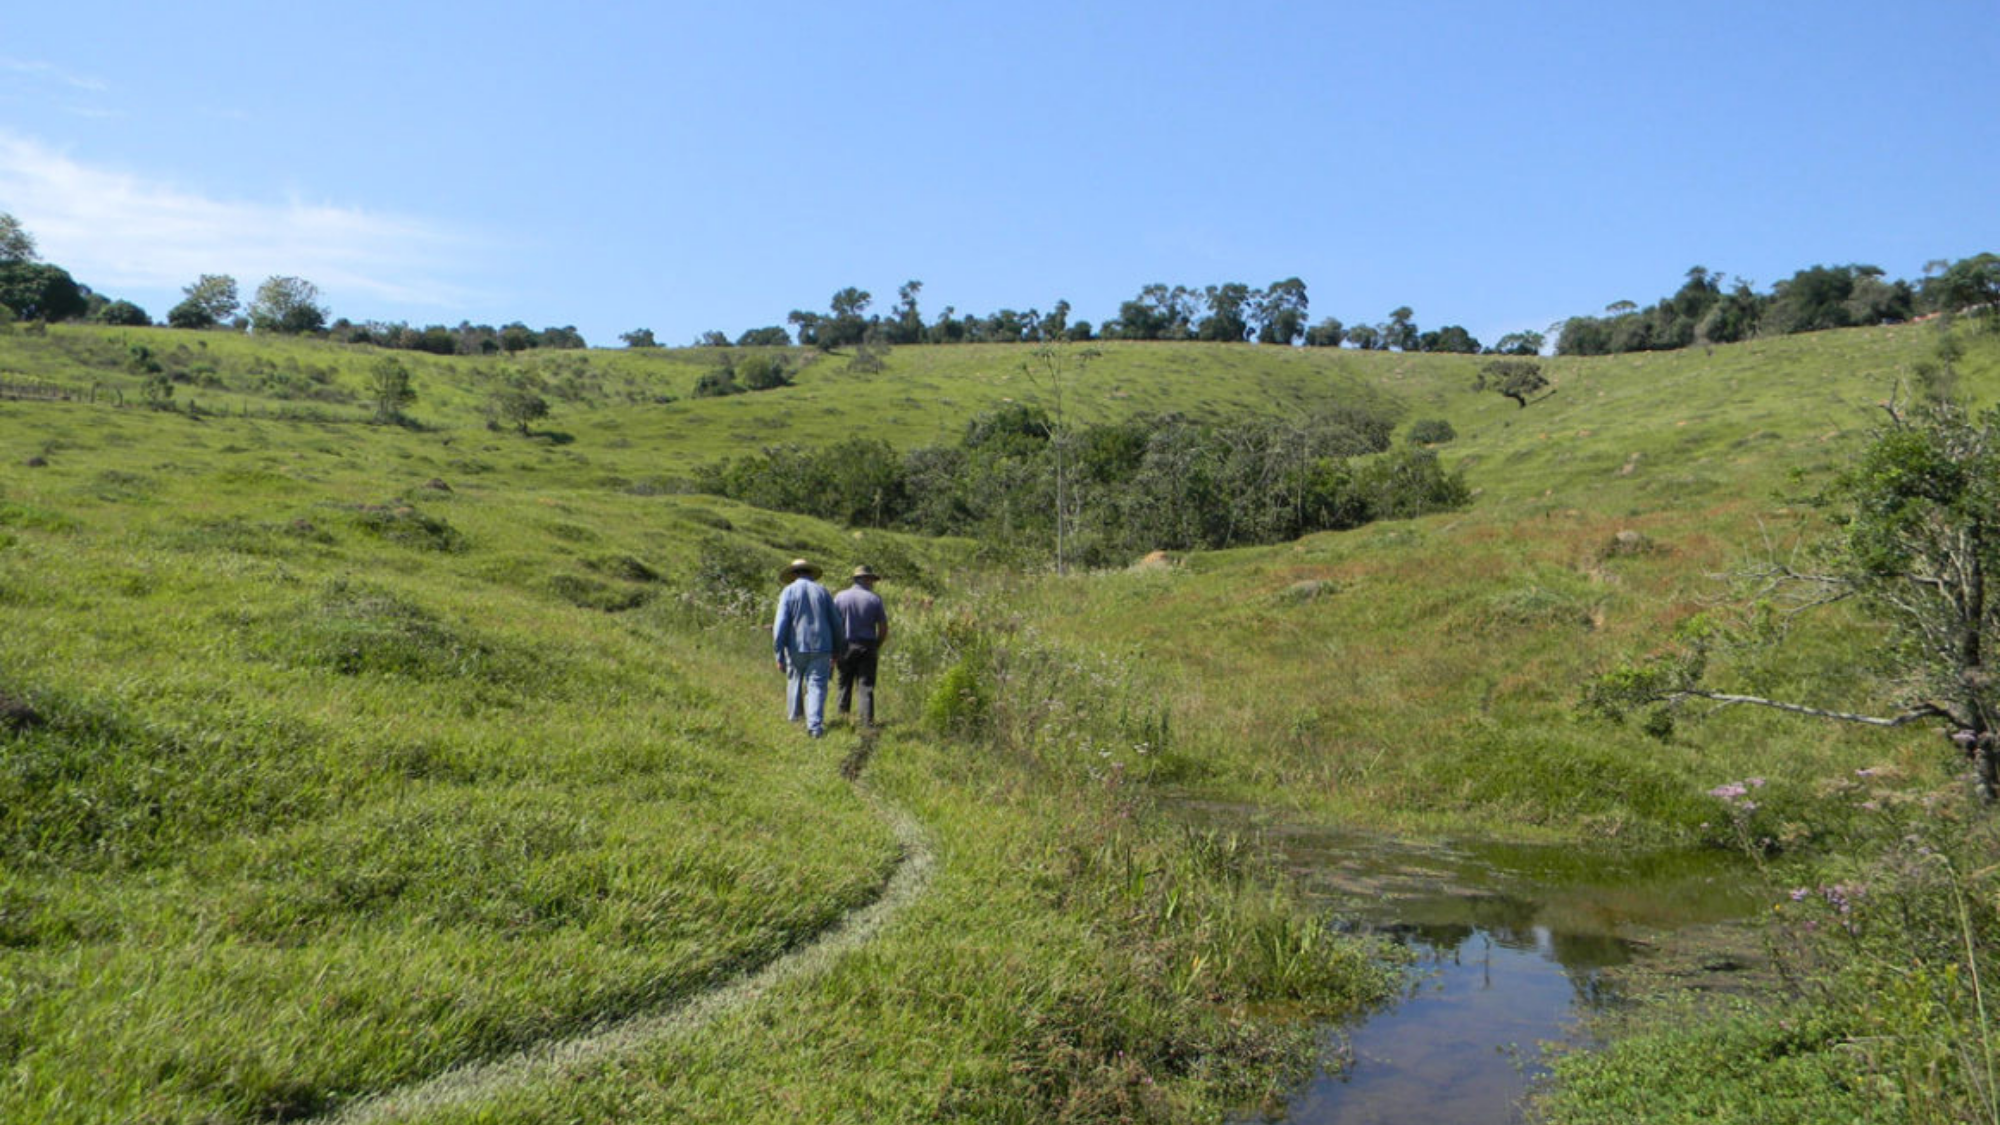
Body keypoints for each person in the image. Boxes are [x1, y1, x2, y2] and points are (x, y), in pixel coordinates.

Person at [772, 558, 844, 738]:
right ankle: (814, 727)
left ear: (794, 574)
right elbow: (837, 623)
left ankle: (795, 719)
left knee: (794, 681)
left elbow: (780, 624)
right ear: (810, 573)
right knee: (817, 686)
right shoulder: (823, 592)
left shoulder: (788, 591)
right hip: (822, 646)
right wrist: (838, 649)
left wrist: (779, 652)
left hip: (796, 645)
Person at [833, 564, 889, 728]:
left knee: (844, 684)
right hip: (867, 646)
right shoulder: (874, 599)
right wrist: (877, 644)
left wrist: (835, 646)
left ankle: (843, 720)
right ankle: (866, 723)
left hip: (845, 645)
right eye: (871, 579)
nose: (872, 583)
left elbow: (834, 624)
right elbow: (883, 628)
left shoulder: (840, 597)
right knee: (866, 686)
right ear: (865, 579)